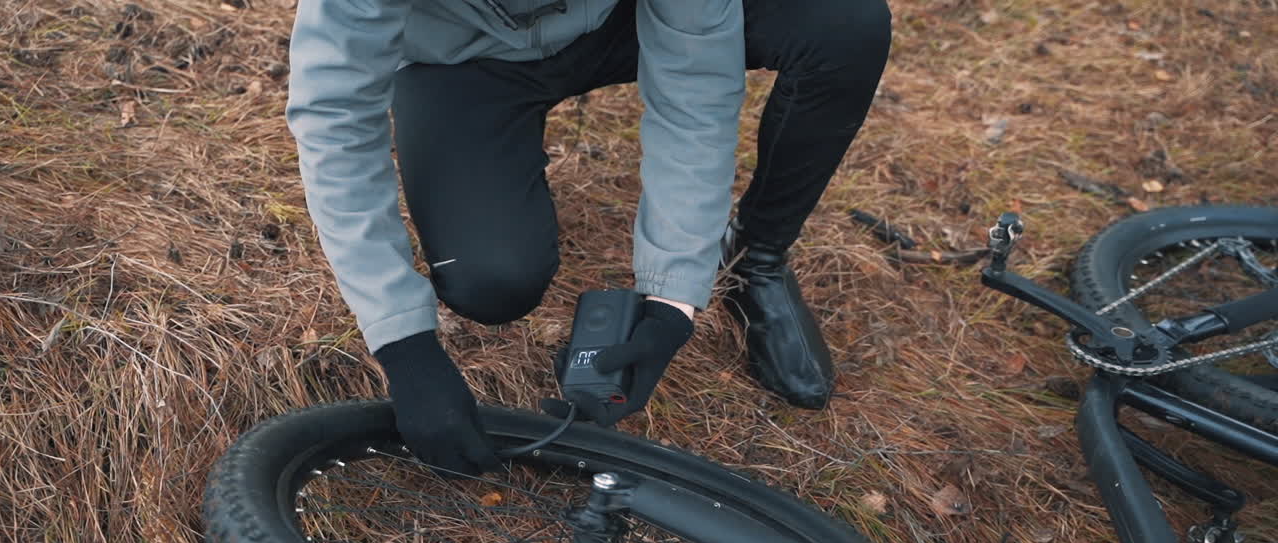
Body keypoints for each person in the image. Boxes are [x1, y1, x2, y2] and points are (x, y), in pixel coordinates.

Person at [287, 0, 892, 476]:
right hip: (459, 61)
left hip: (613, 23)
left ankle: (755, 255)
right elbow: (334, 114)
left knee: (843, 23)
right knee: (492, 281)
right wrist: (403, 345)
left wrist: (675, 296)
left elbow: (694, 90)